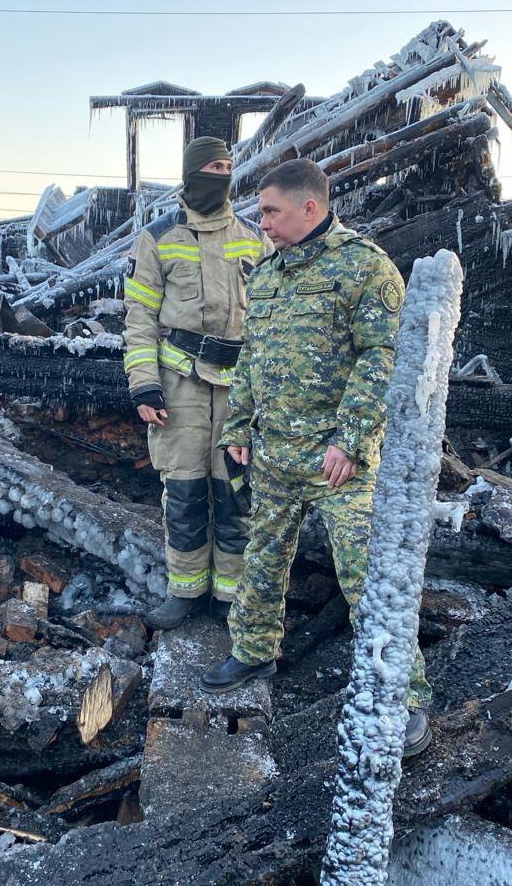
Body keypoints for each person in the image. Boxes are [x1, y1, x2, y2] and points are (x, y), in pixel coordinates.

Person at [201, 157, 433, 758]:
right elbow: (252, 357)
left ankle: (404, 696)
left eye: (271, 212)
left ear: (311, 206)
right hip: (275, 453)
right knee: (262, 558)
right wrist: (241, 425)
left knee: (366, 575)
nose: (263, 224)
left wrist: (351, 441)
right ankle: (252, 653)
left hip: (338, 462)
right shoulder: (270, 273)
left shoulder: (365, 267)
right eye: (260, 214)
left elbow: (383, 357)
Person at [123, 136, 273, 630]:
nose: (222, 175)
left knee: (234, 495)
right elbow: (140, 316)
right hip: (180, 389)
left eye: (228, 167)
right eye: (212, 167)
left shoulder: (255, 236)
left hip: (240, 391)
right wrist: (144, 385)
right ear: (191, 175)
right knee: (185, 497)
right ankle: (185, 592)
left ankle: (230, 597)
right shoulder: (158, 237)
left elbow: (276, 316)